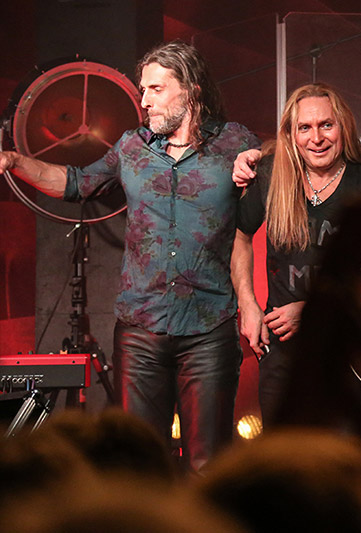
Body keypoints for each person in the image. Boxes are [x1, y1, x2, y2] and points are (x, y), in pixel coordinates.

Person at [0, 40, 259, 471]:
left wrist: (258, 156)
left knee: (209, 462)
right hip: (141, 329)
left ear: (191, 91)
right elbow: (76, 183)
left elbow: (277, 158)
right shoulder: (131, 148)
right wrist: (14, 160)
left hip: (208, 328)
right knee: (139, 462)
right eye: (143, 90)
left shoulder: (233, 142)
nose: (144, 101)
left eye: (155, 89)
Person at [231, 83, 361, 427]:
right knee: (287, 463)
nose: (317, 138)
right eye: (305, 128)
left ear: (343, 127)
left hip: (351, 349)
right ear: (291, 134)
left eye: (326, 125)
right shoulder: (271, 176)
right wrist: (248, 305)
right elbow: (239, 237)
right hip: (283, 352)